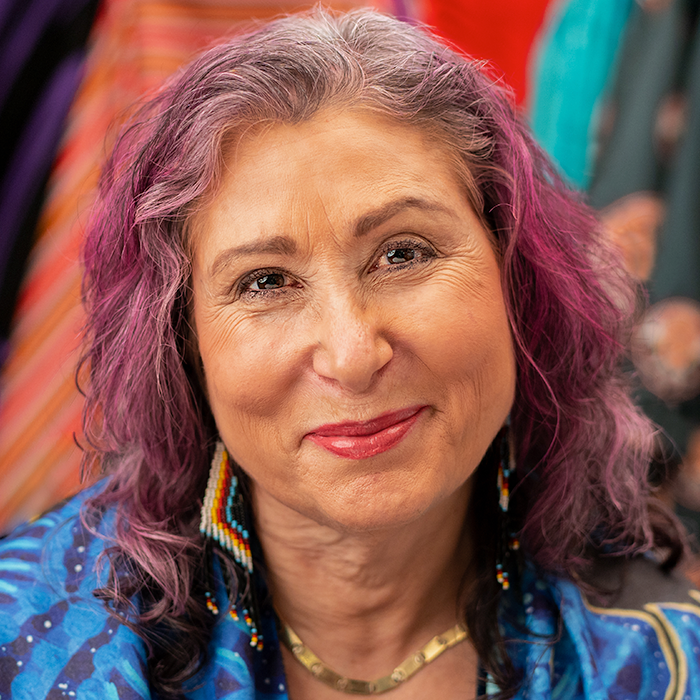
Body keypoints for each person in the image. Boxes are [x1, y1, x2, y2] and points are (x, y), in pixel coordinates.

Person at [1, 7, 699, 699]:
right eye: (266, 282)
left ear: (518, 280)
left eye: (403, 253)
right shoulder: (28, 641)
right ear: (182, 345)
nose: (352, 354)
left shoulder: (665, 662)